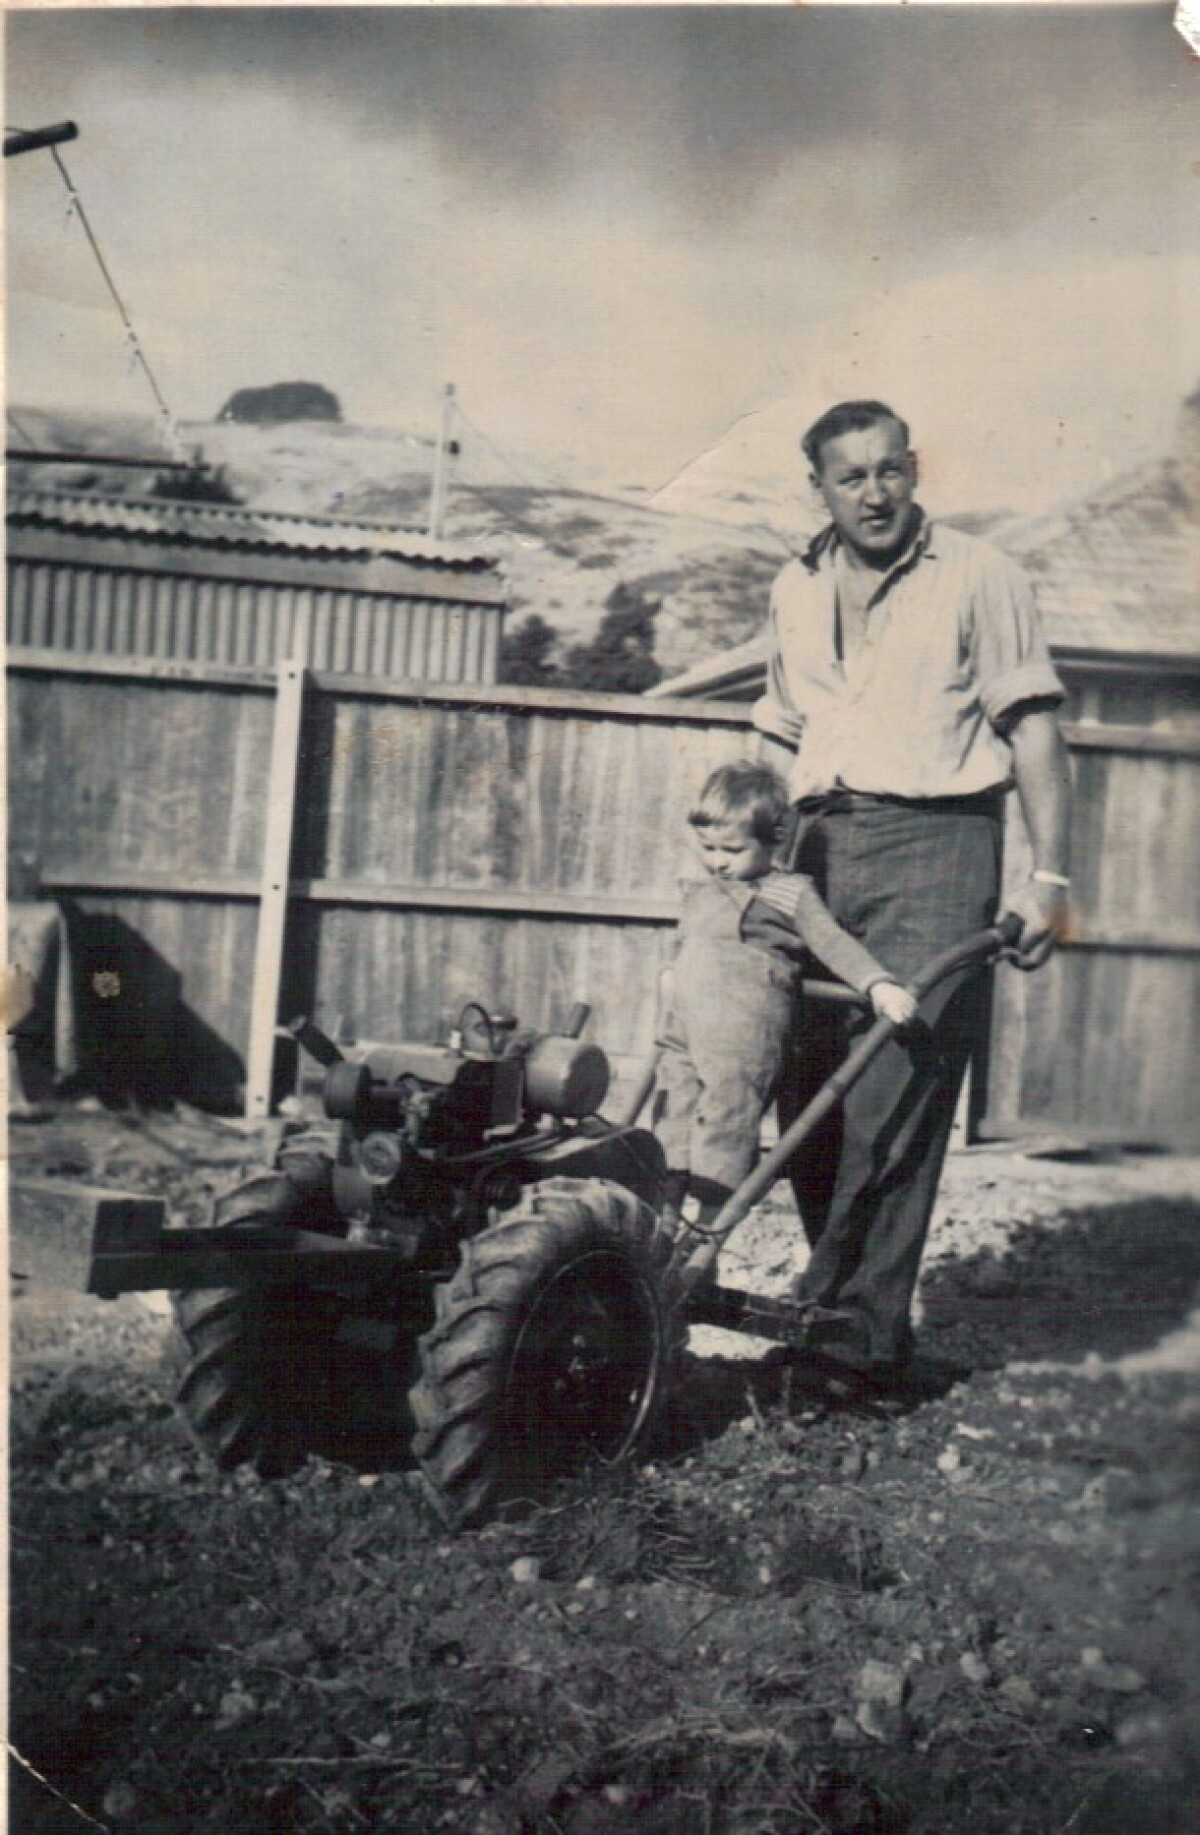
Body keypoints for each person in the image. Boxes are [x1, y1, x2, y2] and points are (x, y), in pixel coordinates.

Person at [752, 399, 1071, 1390]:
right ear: (820, 488)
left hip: (936, 841)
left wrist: (1049, 875)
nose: (875, 491)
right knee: (803, 1092)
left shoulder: (982, 576)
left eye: (890, 469)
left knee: (896, 1092)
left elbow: (1032, 731)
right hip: (810, 846)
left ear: (914, 469)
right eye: (851, 476)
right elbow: (775, 730)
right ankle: (839, 1314)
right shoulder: (793, 585)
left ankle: (851, 1350)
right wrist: (748, 854)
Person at [654, 761, 917, 1270]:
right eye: (708, 849)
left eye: (732, 851)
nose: (718, 862)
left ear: (773, 840)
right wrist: (671, 972)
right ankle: (657, 1234)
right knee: (670, 1118)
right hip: (684, 1023)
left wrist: (877, 984)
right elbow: (686, 941)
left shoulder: (788, 892)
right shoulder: (701, 888)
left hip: (742, 1027)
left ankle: (705, 1245)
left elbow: (833, 943)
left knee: (726, 1124)